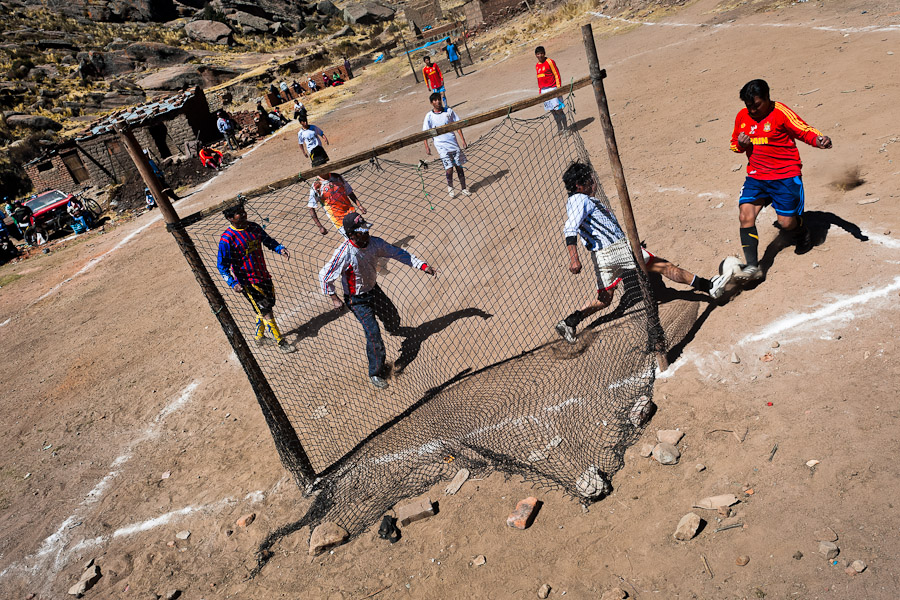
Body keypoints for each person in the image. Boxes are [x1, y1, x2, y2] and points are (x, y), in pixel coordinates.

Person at [554, 162, 732, 344]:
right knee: (663, 266)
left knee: (605, 299)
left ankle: (570, 322)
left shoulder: (582, 201)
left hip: (602, 257)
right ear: (579, 186)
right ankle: (708, 286)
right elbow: (569, 229)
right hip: (617, 249)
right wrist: (574, 259)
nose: (594, 183)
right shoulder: (578, 200)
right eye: (590, 180)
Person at [730, 79, 832, 283]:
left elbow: (803, 130)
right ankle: (752, 267)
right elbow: (734, 144)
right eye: (748, 106)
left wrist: (819, 140)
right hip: (757, 176)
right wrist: (740, 145)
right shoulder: (743, 117)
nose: (752, 110)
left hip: (785, 176)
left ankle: (801, 230)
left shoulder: (781, 113)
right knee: (745, 216)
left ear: (768, 98)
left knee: (786, 223)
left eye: (756, 105)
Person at [319, 212, 437, 389]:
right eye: (361, 232)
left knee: (393, 319)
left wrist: (422, 265)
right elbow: (324, 276)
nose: (366, 234)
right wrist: (334, 298)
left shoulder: (375, 243)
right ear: (351, 235)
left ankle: (392, 328)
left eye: (366, 230)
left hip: (373, 290)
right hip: (356, 300)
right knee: (373, 333)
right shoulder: (344, 253)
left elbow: (398, 253)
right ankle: (376, 372)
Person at [217, 204, 296, 353]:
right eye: (239, 213)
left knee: (268, 305)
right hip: (248, 282)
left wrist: (280, 249)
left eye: (243, 211)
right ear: (230, 218)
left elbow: (268, 241)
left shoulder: (254, 227)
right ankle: (281, 342)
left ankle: (259, 337)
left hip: (263, 276)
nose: (244, 215)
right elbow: (222, 266)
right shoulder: (227, 240)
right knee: (266, 310)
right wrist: (232, 283)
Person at [423, 92, 469, 198]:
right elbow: (425, 132)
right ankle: (451, 188)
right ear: (431, 103)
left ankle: (464, 189)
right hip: (441, 146)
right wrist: (427, 146)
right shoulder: (429, 116)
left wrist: (463, 140)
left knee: (459, 166)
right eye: (435, 100)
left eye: (439, 99)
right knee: (449, 168)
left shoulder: (449, 111)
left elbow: (457, 125)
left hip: (453, 144)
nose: (438, 101)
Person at [308, 172, 367, 236]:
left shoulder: (337, 177)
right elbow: (311, 207)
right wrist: (320, 226)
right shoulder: (316, 186)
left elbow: (349, 192)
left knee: (364, 233)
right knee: (352, 239)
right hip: (338, 219)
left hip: (351, 212)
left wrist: (359, 206)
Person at [534, 46, 569, 134]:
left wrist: (558, 88)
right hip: (544, 91)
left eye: (541, 53)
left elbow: (556, 74)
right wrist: (540, 91)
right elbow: (539, 80)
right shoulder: (537, 65)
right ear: (536, 55)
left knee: (558, 110)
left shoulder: (550, 62)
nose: (540, 55)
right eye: (538, 54)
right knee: (552, 111)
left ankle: (566, 129)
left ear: (544, 53)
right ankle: (559, 129)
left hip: (553, 88)